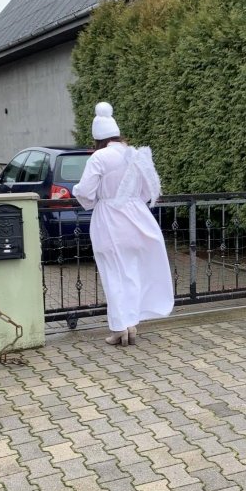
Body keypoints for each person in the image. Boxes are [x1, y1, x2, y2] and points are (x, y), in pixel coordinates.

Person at [73, 102, 174, 345]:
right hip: (138, 219)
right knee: (131, 273)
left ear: (98, 137)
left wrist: (95, 196)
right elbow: (147, 191)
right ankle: (131, 323)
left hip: (110, 219)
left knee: (114, 275)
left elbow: (85, 192)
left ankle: (121, 328)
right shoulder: (134, 155)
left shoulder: (99, 157)